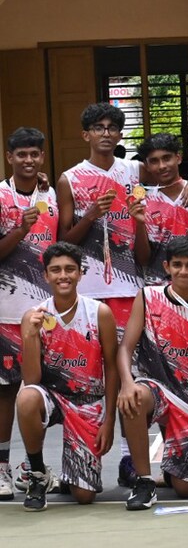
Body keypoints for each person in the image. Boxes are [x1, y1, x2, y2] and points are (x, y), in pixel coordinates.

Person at [56, 104, 188, 486]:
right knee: (90, 372)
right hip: (86, 293)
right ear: (85, 133)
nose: (105, 133)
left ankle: (128, 458)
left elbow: (171, 179)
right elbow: (63, 239)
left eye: (112, 128)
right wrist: (90, 215)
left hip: (127, 287)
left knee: (131, 374)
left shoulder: (133, 171)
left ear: (120, 135)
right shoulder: (69, 179)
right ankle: (81, 457)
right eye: (97, 127)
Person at [116, 238, 188, 509]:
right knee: (135, 399)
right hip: (155, 387)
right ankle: (144, 481)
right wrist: (127, 383)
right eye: (177, 265)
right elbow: (125, 348)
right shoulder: (148, 297)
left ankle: (172, 468)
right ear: (167, 266)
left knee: (186, 489)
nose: (184, 271)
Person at [16, 242, 118, 510]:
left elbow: (112, 367)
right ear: (46, 275)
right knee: (27, 399)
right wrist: (29, 338)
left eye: (70, 269)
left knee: (84, 496)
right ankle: (37, 474)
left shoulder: (100, 313)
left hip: (87, 402)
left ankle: (70, 473)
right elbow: (31, 380)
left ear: (80, 273)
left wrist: (109, 420)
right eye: (56, 270)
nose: (64, 275)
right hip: (52, 396)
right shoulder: (34, 317)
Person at [0, 127, 57, 500]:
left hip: (46, 314)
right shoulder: (0, 196)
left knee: (44, 391)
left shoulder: (50, 194)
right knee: (5, 393)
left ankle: (33, 465)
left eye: (34, 153)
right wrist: (19, 230)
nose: (29, 160)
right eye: (21, 154)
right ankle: (3, 466)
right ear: (10, 158)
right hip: (6, 312)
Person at [135, 134, 188, 287]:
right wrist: (140, 224)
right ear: (146, 166)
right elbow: (143, 259)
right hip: (157, 288)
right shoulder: (143, 202)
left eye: (167, 158)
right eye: (154, 161)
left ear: (178, 158)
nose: (162, 166)